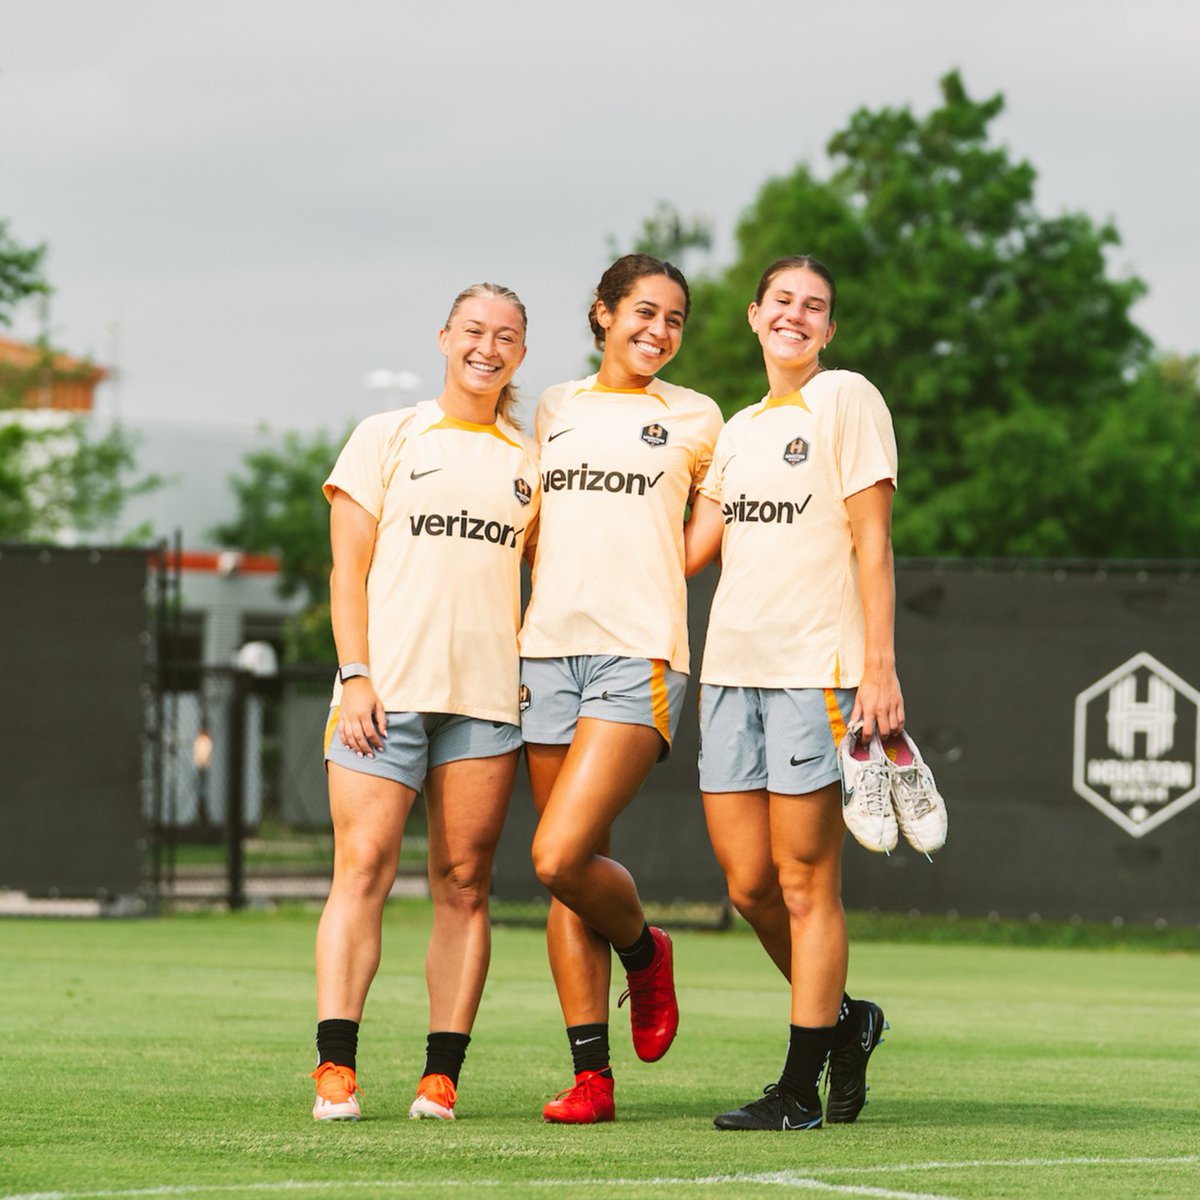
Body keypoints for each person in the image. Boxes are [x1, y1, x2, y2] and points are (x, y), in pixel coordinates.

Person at [310, 282, 540, 1123]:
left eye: (506, 335)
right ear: (444, 337)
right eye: (473, 330)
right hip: (384, 693)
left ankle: (440, 1077)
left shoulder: (530, 458)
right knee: (362, 869)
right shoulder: (387, 435)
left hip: (485, 704)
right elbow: (347, 572)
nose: (487, 346)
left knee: (466, 883)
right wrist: (356, 674)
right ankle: (337, 1069)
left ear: (522, 351)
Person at [683, 255, 898, 1131]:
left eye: (815, 307)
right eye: (783, 302)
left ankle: (798, 1087)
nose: (797, 316)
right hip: (730, 672)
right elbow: (691, 548)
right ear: (753, 314)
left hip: (818, 673)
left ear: (830, 330)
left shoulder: (847, 397)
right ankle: (849, 1023)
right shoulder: (735, 430)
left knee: (808, 885)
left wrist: (878, 667)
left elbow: (873, 542)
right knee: (748, 887)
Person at [519, 254, 724, 1123]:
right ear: (603, 315)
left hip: (638, 652)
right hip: (544, 654)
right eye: (644, 312)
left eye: (675, 318)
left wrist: (653, 576)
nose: (660, 331)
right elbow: (530, 522)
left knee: (558, 853)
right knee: (568, 875)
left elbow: (711, 520)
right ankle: (591, 1080)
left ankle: (646, 952)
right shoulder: (556, 406)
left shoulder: (698, 416)